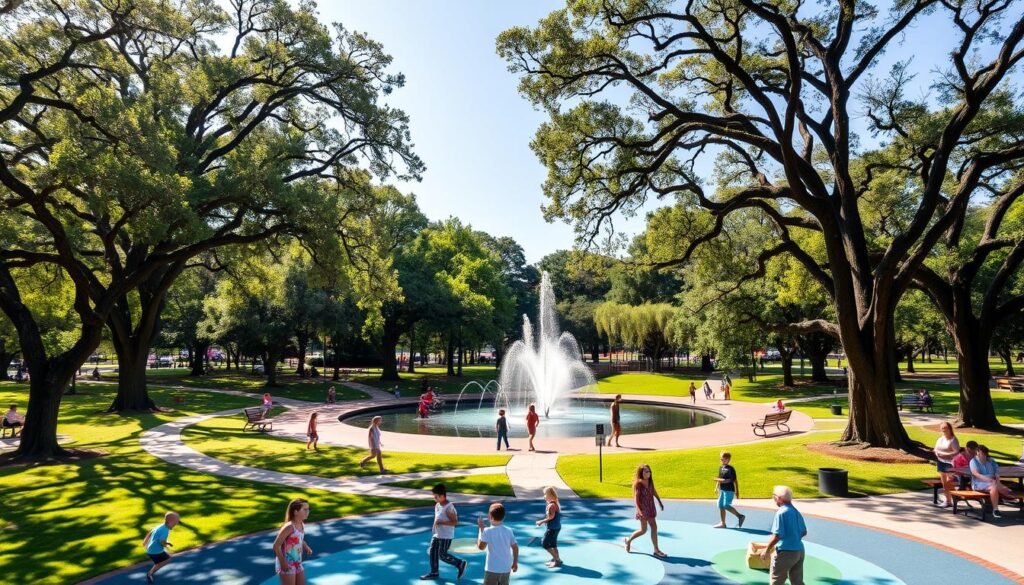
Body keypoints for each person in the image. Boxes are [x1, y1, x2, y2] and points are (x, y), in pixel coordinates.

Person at [760, 485, 807, 585]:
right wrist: (793, 539)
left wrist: (766, 550)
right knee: (797, 581)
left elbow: (777, 536)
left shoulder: (781, 513)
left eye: (774, 496)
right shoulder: (795, 511)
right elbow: (804, 532)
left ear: (779, 498)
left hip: (786, 552)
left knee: (776, 581)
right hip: (799, 550)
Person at [420, 484, 468, 580]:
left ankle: (459, 563)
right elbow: (436, 519)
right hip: (437, 535)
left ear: (442, 496)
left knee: (442, 555)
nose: (435, 499)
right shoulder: (438, 505)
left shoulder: (449, 507)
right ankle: (434, 572)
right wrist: (433, 531)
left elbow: (455, 522)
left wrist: (441, 522)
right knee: (433, 552)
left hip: (446, 536)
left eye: (436, 497)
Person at [624, 463, 666, 557]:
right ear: (641, 473)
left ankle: (656, 550)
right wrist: (640, 511)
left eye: (649, 471)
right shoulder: (638, 484)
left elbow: (653, 490)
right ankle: (628, 540)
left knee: (654, 527)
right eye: (646, 471)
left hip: (650, 508)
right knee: (643, 530)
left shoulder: (650, 481)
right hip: (643, 509)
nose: (648, 473)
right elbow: (636, 499)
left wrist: (659, 501)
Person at [970, 444, 1018, 519]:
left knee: (995, 485)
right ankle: (1003, 499)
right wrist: (989, 480)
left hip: (993, 482)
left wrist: (997, 480)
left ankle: (998, 506)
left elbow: (997, 472)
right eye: (978, 453)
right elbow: (976, 474)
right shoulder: (973, 461)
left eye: (982, 453)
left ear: (986, 454)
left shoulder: (991, 460)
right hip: (979, 483)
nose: (980, 455)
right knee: (998, 487)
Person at [273, 498, 313, 585]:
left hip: (297, 562)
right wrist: (283, 563)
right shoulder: (289, 527)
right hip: (287, 563)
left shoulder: (301, 524)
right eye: (305, 509)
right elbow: (276, 546)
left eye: (308, 509)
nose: (308, 511)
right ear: (295, 512)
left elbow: (299, 539)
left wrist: (306, 547)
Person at [477, 502, 518, 585]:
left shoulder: (487, 531)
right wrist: (515, 562)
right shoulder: (509, 531)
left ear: (490, 516)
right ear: (503, 517)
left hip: (492, 568)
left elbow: (481, 547)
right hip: (506, 568)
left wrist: (480, 530)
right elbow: (515, 547)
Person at [142, 511, 180, 584]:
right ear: (170, 522)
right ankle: (150, 573)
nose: (177, 523)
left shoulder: (161, 526)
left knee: (163, 560)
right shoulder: (165, 530)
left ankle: (152, 570)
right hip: (155, 552)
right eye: (176, 522)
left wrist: (145, 542)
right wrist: (166, 544)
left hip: (151, 549)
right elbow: (162, 542)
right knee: (166, 560)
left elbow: (151, 531)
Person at [713, 451, 746, 529]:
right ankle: (723, 523)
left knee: (725, 505)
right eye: (721, 459)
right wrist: (716, 486)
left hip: (729, 490)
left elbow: (733, 480)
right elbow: (719, 477)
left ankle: (740, 516)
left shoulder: (731, 469)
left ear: (728, 460)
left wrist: (737, 491)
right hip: (722, 489)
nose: (722, 461)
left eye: (724, 459)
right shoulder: (721, 467)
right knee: (720, 505)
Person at [933, 421, 960, 508]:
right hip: (941, 462)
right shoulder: (940, 439)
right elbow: (935, 449)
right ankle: (948, 501)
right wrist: (937, 453)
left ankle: (953, 498)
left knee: (949, 483)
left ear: (949, 429)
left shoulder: (953, 440)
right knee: (944, 483)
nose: (944, 430)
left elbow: (956, 452)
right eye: (942, 428)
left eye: (945, 428)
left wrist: (944, 454)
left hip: (950, 464)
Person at [535, 486, 562, 567]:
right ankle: (557, 559)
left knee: (545, 544)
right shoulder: (554, 504)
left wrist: (541, 522)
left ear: (550, 495)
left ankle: (557, 560)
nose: (544, 496)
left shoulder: (551, 506)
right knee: (553, 545)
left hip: (552, 528)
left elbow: (550, 517)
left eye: (545, 494)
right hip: (556, 527)